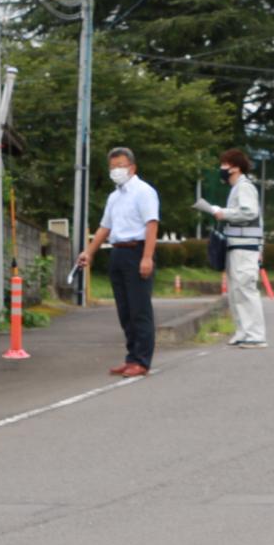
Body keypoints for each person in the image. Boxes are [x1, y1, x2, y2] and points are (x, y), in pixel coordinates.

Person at [77, 146, 161, 377]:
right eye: (113, 167)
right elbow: (106, 226)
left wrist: (147, 257)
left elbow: (151, 224)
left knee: (139, 309)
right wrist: (89, 251)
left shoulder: (144, 192)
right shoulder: (114, 196)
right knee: (125, 310)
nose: (116, 171)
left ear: (132, 167)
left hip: (138, 250)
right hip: (118, 252)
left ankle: (142, 360)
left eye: (121, 166)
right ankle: (131, 357)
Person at [200, 148, 266, 348]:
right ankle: (243, 332)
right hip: (236, 246)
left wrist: (223, 213)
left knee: (245, 289)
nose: (222, 168)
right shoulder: (237, 188)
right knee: (236, 290)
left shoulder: (244, 187)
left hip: (245, 248)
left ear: (236, 167)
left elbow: (249, 213)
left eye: (225, 164)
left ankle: (255, 335)